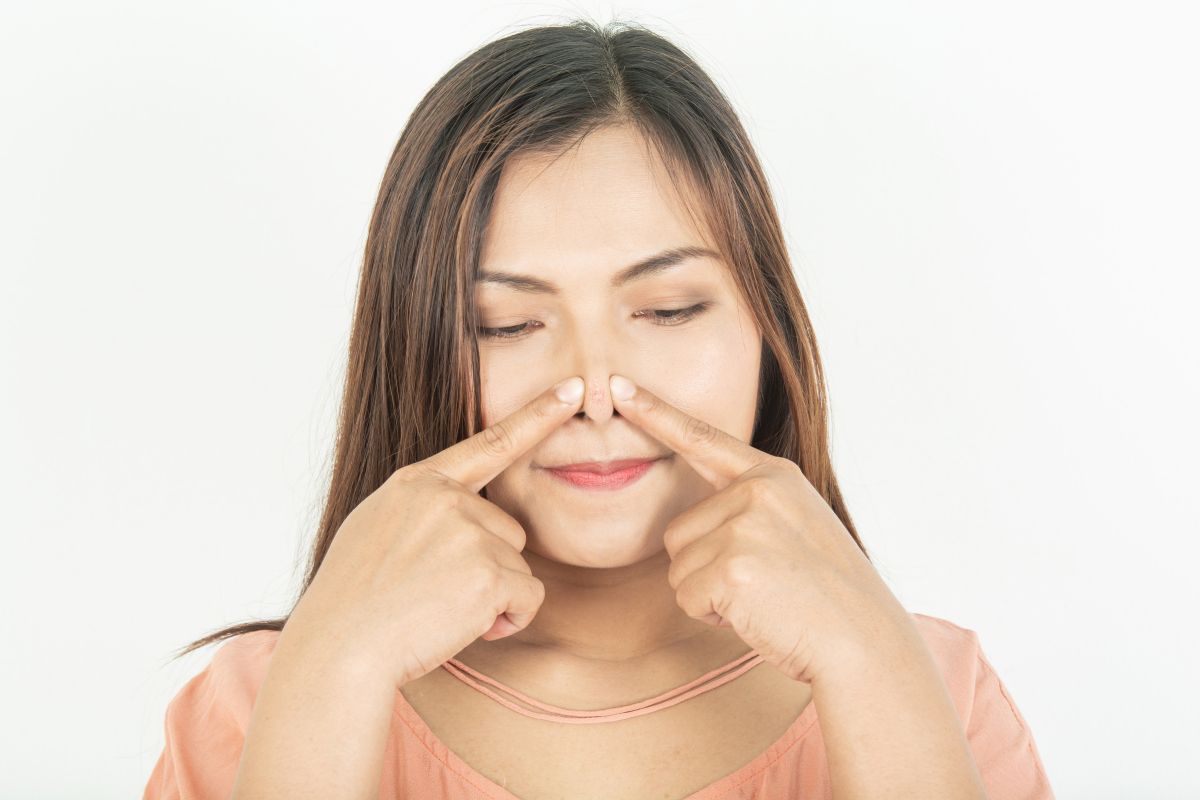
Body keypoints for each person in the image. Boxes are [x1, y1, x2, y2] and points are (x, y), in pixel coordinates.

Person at [144, 17, 1054, 800]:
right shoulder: (263, 704)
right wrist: (334, 673)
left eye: (668, 310)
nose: (593, 388)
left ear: (770, 333)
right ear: (411, 349)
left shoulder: (937, 687)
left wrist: (869, 666)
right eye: (505, 324)